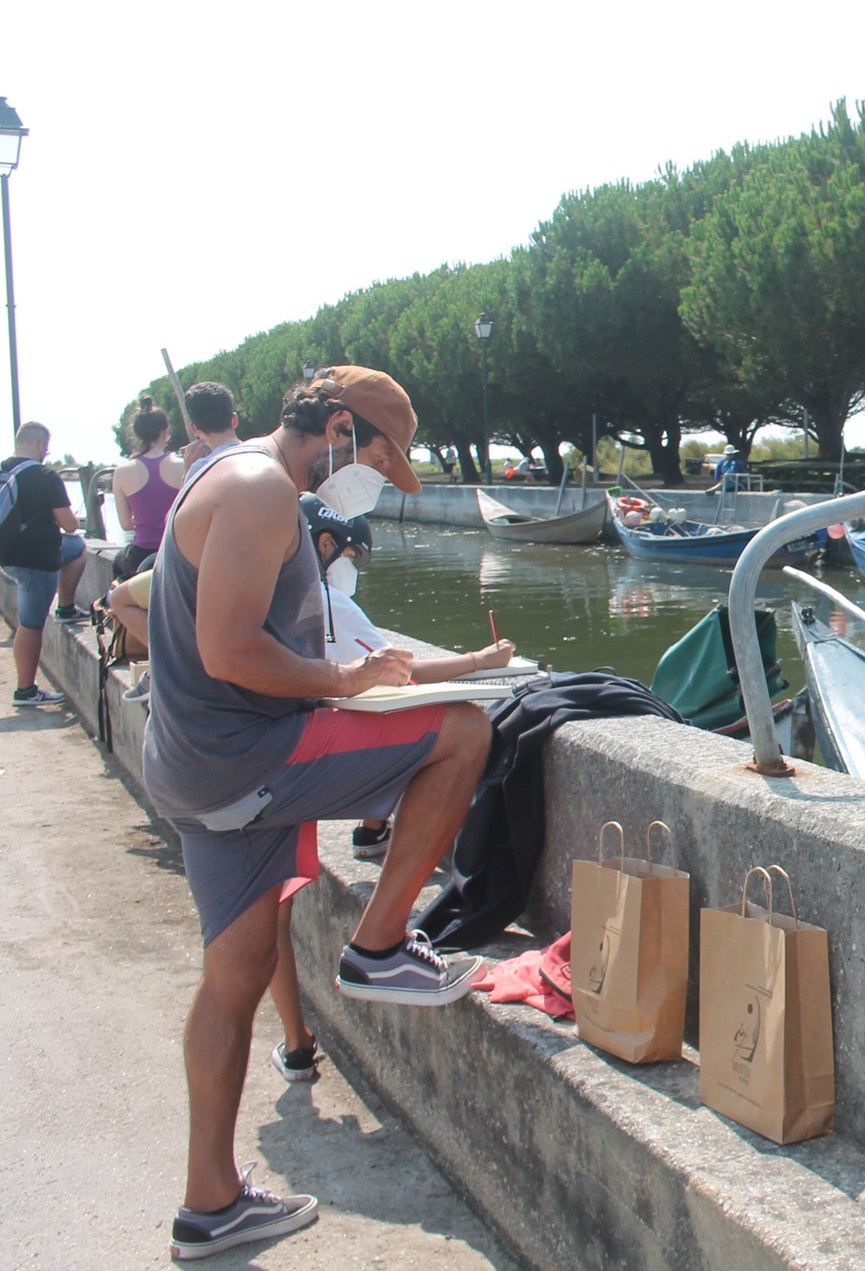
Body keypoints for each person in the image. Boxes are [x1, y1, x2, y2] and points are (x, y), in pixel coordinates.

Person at [143, 365, 493, 1261]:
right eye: (375, 459)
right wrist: (345, 680)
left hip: (194, 768)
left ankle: (210, 1204)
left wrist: (348, 676)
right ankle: (379, 946)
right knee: (464, 731)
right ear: (338, 427)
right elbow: (229, 649)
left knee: (236, 974)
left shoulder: (221, 473)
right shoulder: (261, 488)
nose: (373, 480)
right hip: (244, 759)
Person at [263, 494, 518, 1084]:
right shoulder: (322, 600)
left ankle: (296, 1045)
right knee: (460, 733)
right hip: (288, 758)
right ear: (324, 545)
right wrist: (479, 660)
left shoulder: (247, 591)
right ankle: (378, 941)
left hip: (226, 761)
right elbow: (396, 670)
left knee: (263, 918)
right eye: (349, 555)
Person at [2, 421, 87, 706]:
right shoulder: (45, 476)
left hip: (9, 556)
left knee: (76, 549)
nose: (45, 453)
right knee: (31, 625)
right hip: (37, 559)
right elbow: (70, 525)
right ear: (39, 444)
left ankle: (66, 607)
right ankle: (25, 691)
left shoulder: (3, 470)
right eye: (46, 448)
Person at [111, 402, 184, 579]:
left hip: (141, 555)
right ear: (165, 432)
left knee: (118, 563)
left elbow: (126, 525)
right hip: (174, 553)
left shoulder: (122, 472)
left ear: (137, 434)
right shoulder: (183, 466)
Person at [179, 380, 242, 469]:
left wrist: (188, 471)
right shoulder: (261, 450)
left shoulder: (200, 468)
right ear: (234, 419)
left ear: (194, 429)